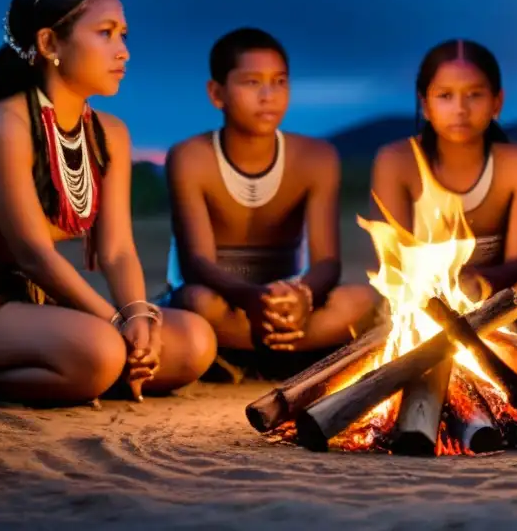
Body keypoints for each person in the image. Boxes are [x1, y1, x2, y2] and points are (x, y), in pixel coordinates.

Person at [0, 0, 216, 405]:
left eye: (123, 35)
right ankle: (48, 370)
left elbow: (117, 250)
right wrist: (113, 323)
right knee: (101, 351)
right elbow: (33, 255)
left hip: (41, 309)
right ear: (49, 44)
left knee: (195, 340)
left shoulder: (110, 134)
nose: (123, 51)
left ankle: (87, 366)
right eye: (106, 33)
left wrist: (137, 317)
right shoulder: (2, 127)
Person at [162, 28, 380, 381]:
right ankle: (290, 355)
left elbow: (327, 261)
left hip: (289, 304)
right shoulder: (190, 157)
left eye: (279, 82)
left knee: (362, 301)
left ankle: (243, 354)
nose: (268, 95)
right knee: (196, 302)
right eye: (251, 83)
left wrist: (303, 296)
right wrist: (251, 298)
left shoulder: (316, 157)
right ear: (217, 93)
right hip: (226, 302)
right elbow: (196, 264)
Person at [370, 39, 517, 300]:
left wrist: (476, 282)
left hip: (495, 302)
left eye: (475, 95)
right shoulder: (396, 162)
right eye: (445, 96)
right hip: (418, 306)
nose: (460, 110)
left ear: (497, 102)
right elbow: (394, 265)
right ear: (425, 105)